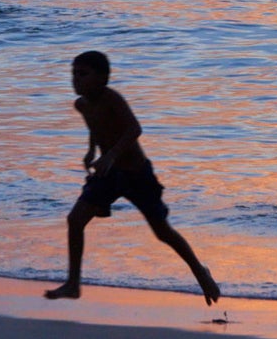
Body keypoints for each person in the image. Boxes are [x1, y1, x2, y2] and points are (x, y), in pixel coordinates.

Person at [44, 51, 220, 306]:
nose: (76, 80)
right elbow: (96, 127)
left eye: (83, 74)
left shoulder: (112, 98)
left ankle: (200, 272)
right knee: (75, 219)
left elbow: (134, 129)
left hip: (137, 175)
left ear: (103, 78)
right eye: (73, 74)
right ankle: (73, 283)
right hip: (108, 174)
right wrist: (92, 151)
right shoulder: (81, 104)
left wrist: (111, 155)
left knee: (162, 232)